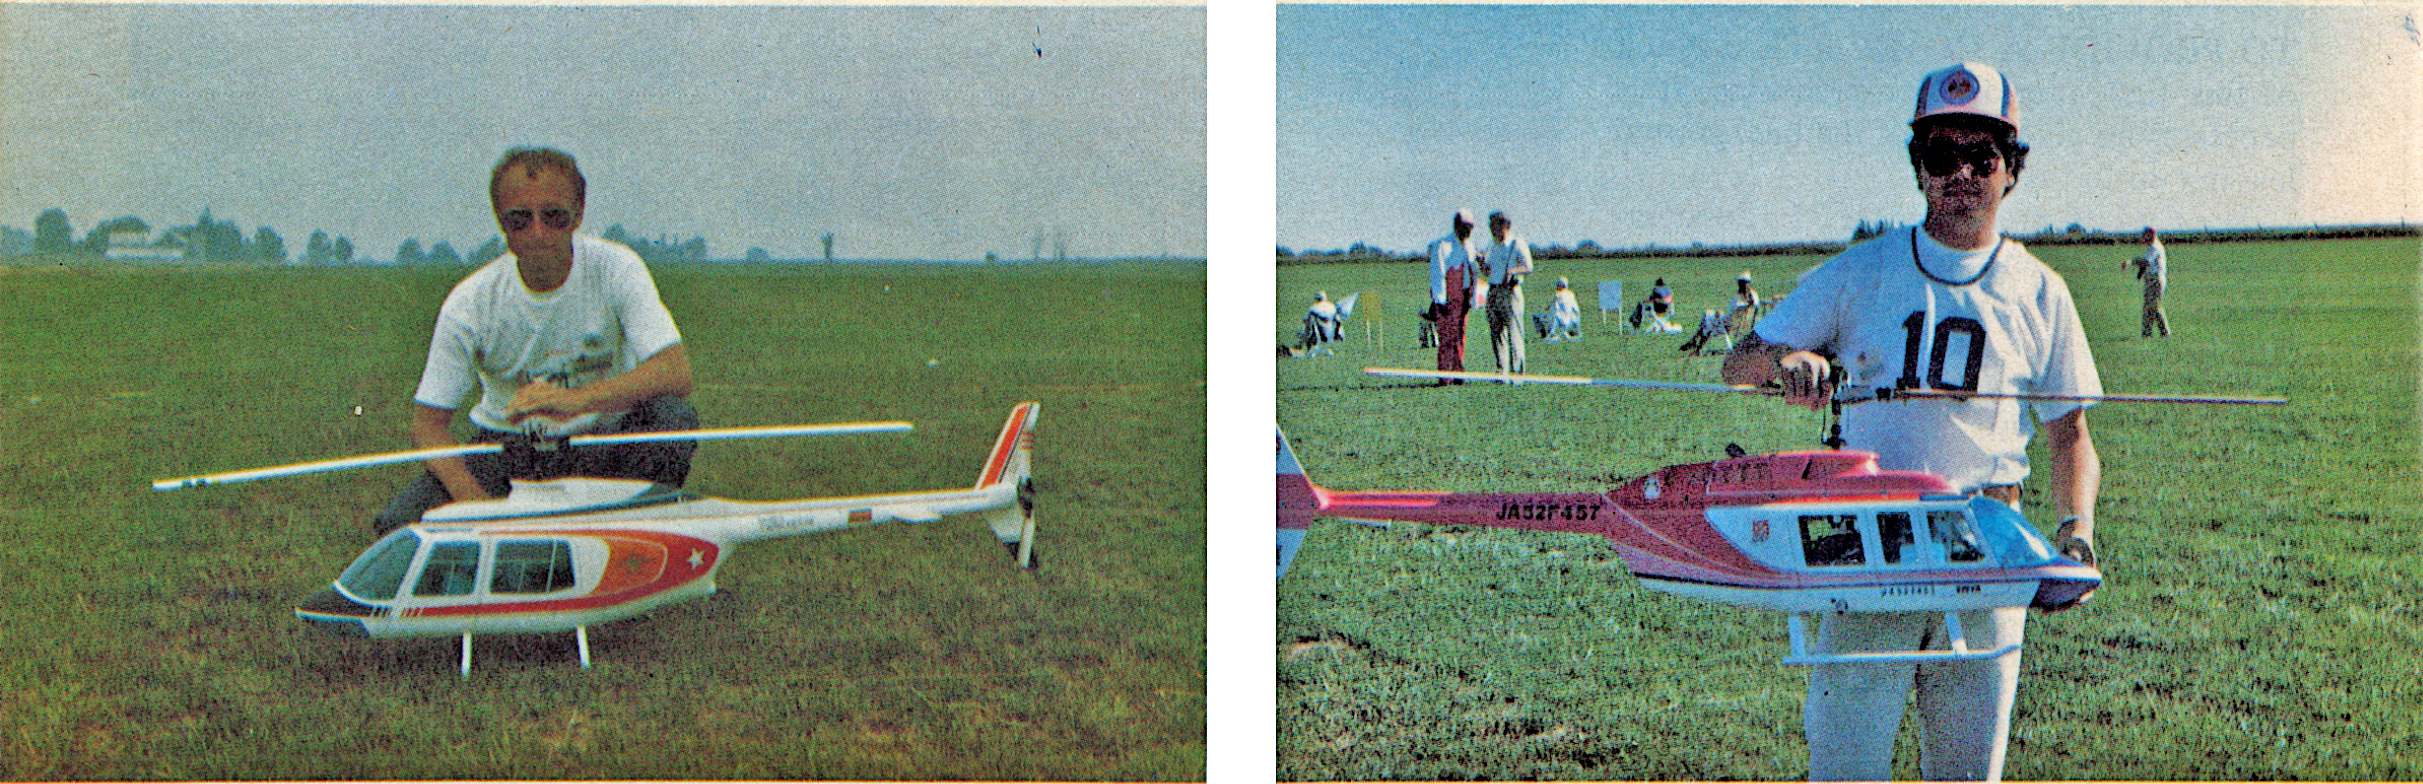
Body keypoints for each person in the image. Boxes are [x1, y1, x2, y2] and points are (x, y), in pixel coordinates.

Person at [1719, 63, 2103, 782]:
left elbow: (2070, 437)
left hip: (1987, 553)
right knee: (1846, 767)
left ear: (2011, 170)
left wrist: (2074, 533)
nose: (1961, 175)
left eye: (1981, 157)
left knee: (1967, 773)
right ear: (1917, 168)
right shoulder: (1860, 272)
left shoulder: (2041, 291)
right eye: (1940, 155)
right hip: (1867, 548)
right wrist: (1788, 362)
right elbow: (1738, 363)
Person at [374, 147, 701, 535]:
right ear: (501, 222)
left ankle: (623, 536)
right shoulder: (469, 304)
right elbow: (428, 425)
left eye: (554, 216)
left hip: (600, 442)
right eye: (520, 220)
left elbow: (675, 371)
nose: (538, 232)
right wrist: (477, 505)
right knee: (400, 527)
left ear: (578, 214)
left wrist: (575, 401)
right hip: (508, 449)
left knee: (672, 420)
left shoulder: (616, 268)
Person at [1427, 209, 1480, 382]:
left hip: (1464, 297)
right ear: (1456, 226)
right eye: (1465, 227)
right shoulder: (1442, 245)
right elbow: (1437, 274)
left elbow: (1474, 273)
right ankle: (1444, 375)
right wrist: (1440, 301)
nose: (1467, 232)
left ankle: (1458, 372)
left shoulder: (1469, 246)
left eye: (1470, 228)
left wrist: (1472, 298)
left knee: (1460, 335)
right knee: (1446, 337)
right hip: (1447, 299)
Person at [1477, 211, 1533, 374]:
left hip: (1510, 292)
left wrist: (1512, 271)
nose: (1490, 229)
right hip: (1493, 291)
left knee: (1515, 332)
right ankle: (1501, 371)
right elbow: (1487, 271)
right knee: (1496, 333)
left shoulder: (1516, 243)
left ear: (1504, 226)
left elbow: (1528, 267)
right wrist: (1481, 263)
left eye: (1493, 225)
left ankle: (1517, 373)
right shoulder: (1491, 246)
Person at [2131, 227, 2170, 336]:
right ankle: (2153, 333)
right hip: (2151, 279)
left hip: (2156, 279)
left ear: (2152, 234)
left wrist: (2133, 262)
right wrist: (2138, 277)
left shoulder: (2155, 247)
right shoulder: (2151, 248)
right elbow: (2145, 265)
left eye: (2145, 235)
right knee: (2151, 306)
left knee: (2153, 306)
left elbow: (2147, 262)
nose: (2143, 238)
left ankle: (2155, 333)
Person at [1300, 291, 1341, 357]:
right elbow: (1338, 321)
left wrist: (1303, 336)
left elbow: (1305, 321)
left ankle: (1311, 349)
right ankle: (1326, 349)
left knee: (1310, 321)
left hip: (1319, 334)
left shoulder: (1313, 308)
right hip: (1331, 334)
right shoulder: (1332, 306)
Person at [1542, 277, 1582, 342]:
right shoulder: (1571, 295)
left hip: (1561, 321)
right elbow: (1576, 310)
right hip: (1571, 321)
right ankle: (1574, 333)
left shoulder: (1558, 295)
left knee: (1544, 316)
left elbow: (1554, 308)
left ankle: (1552, 334)